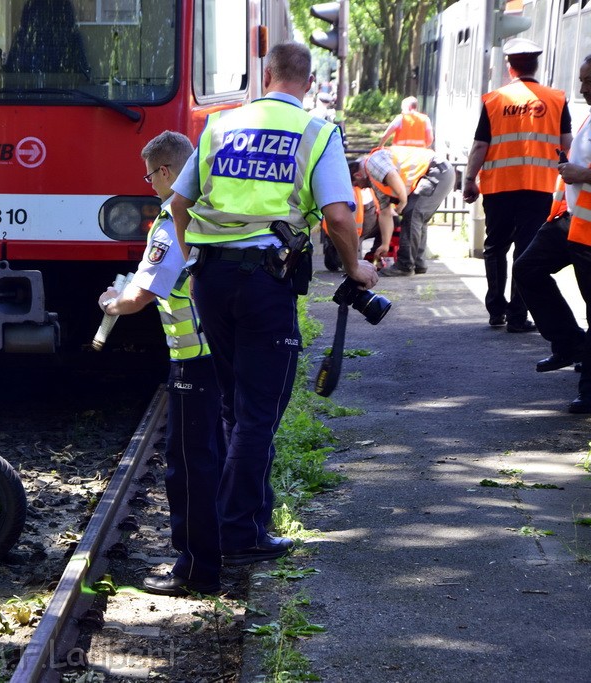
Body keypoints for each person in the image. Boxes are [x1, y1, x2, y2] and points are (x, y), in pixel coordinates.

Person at [169, 42, 379, 569]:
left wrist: (192, 250)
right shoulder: (315, 133)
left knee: (233, 405)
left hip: (212, 279)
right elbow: (338, 214)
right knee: (258, 414)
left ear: (265, 75)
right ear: (308, 83)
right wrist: (356, 268)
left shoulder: (221, 125)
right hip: (265, 283)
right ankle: (237, 531)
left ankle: (238, 521)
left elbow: (178, 200)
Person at [96, 131, 225, 596]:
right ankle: (216, 549)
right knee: (213, 455)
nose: (148, 182)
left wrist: (113, 302)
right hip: (218, 357)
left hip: (193, 363)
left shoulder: (173, 220)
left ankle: (196, 569)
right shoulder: (211, 207)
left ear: (167, 172)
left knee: (188, 466)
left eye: (150, 174)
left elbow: (143, 293)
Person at [462, 38, 572, 331]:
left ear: (510, 67)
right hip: (538, 187)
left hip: (499, 187)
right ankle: (518, 316)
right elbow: (567, 145)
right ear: (535, 64)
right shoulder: (556, 99)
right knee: (526, 250)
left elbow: (480, 145)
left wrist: (470, 179)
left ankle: (496, 310)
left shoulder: (494, 100)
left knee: (495, 247)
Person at [513, 54, 590, 413]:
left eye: (588, 80)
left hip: (587, 231)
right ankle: (569, 343)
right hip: (570, 221)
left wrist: (583, 174)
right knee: (527, 268)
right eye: (581, 79)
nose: (582, 88)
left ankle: (589, 391)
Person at [349, 145, 456, 277]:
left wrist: (403, 201)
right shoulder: (375, 182)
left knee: (413, 213)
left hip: (436, 170)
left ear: (358, 175)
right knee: (417, 216)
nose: (359, 188)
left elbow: (392, 175)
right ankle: (418, 263)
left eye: (355, 184)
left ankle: (405, 265)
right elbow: (385, 213)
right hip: (435, 172)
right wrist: (385, 244)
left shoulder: (373, 162)